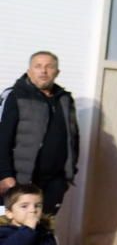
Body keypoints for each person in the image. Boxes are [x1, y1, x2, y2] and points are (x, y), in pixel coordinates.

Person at [0, 52, 79, 215]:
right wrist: (5, 175)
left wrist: (68, 174)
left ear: (57, 72)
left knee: (44, 228)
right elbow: (2, 139)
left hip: (54, 182)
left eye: (49, 67)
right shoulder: (15, 95)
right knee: (13, 231)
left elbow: (73, 138)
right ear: (29, 71)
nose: (44, 71)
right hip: (19, 180)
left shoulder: (65, 99)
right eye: (38, 66)